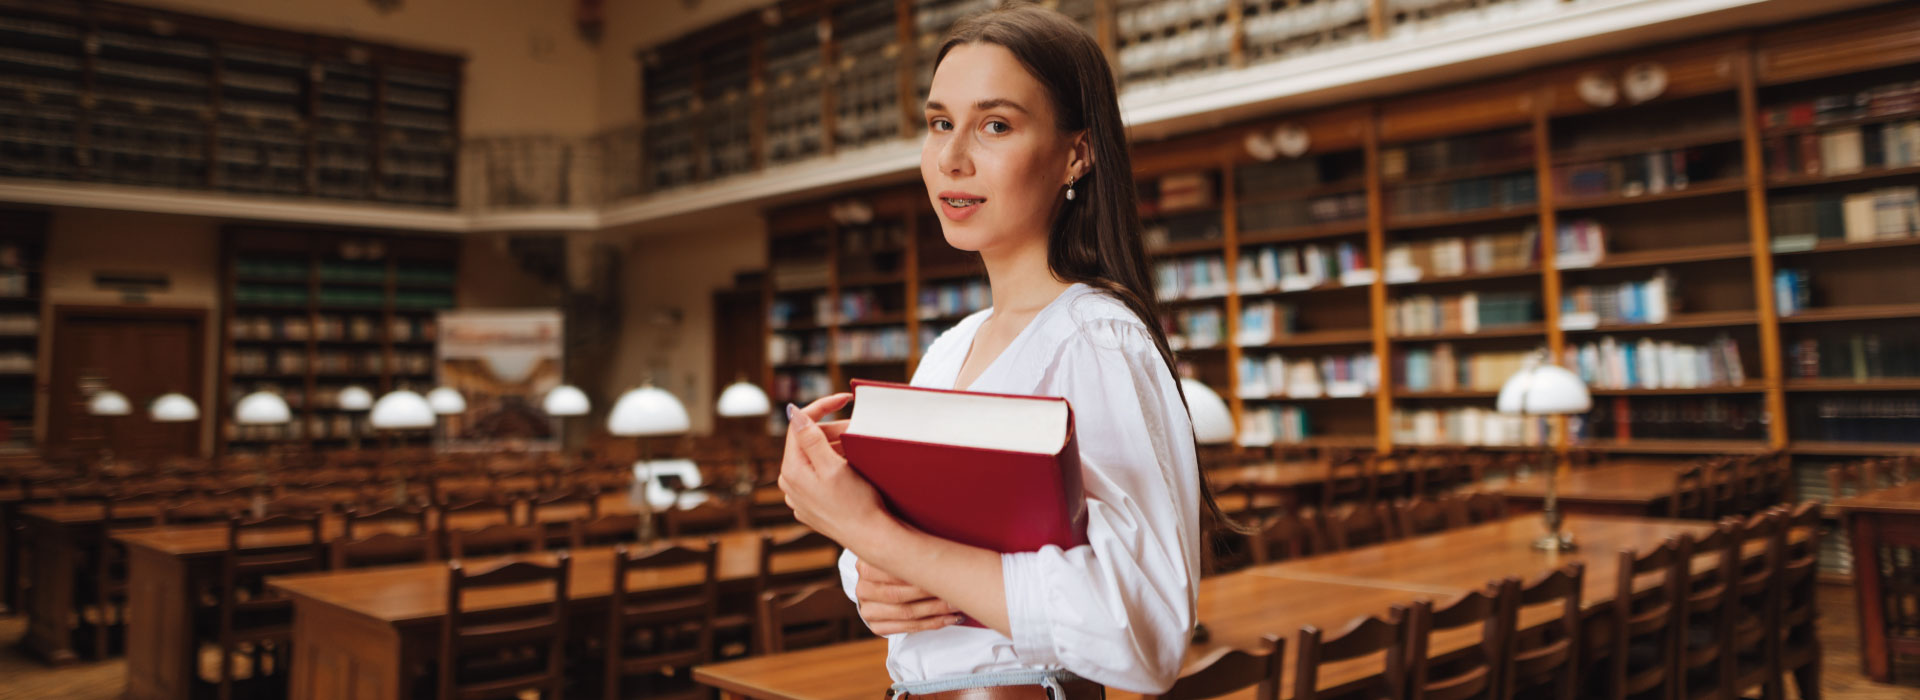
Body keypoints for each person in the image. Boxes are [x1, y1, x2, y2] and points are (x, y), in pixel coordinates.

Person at [776, 2, 1234, 696]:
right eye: (939, 123)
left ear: (1076, 153)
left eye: (995, 125)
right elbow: (905, 559)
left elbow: (1143, 634)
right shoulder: (950, 349)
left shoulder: (1094, 338)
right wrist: (870, 574)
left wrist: (871, 534)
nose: (953, 159)